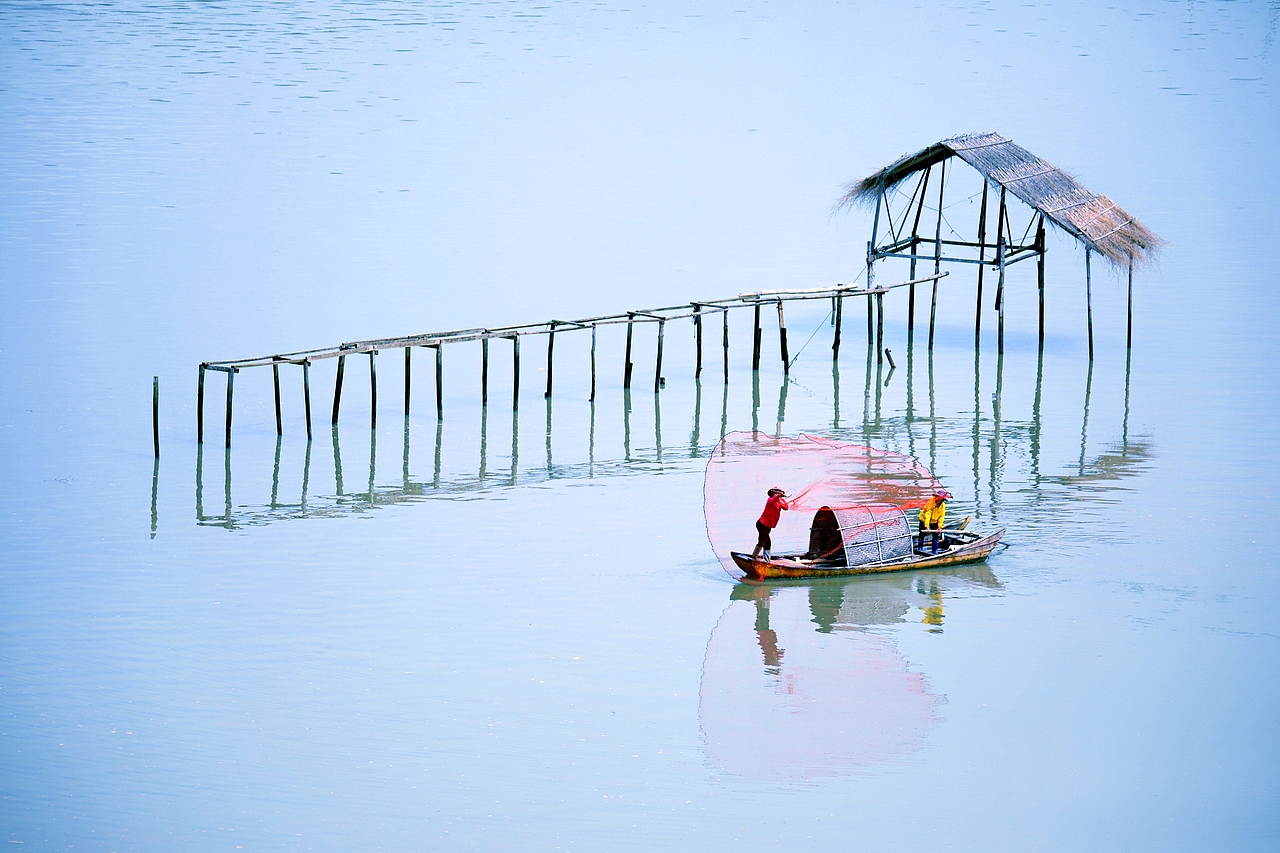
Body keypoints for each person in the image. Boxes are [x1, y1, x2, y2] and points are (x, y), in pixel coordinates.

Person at [751, 488, 789, 561]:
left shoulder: (780, 501)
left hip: (768, 526)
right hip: (762, 524)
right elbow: (774, 499)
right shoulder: (770, 499)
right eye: (777, 493)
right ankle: (756, 558)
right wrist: (778, 497)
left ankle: (764, 559)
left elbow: (786, 507)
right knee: (763, 541)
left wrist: (781, 499)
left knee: (765, 542)